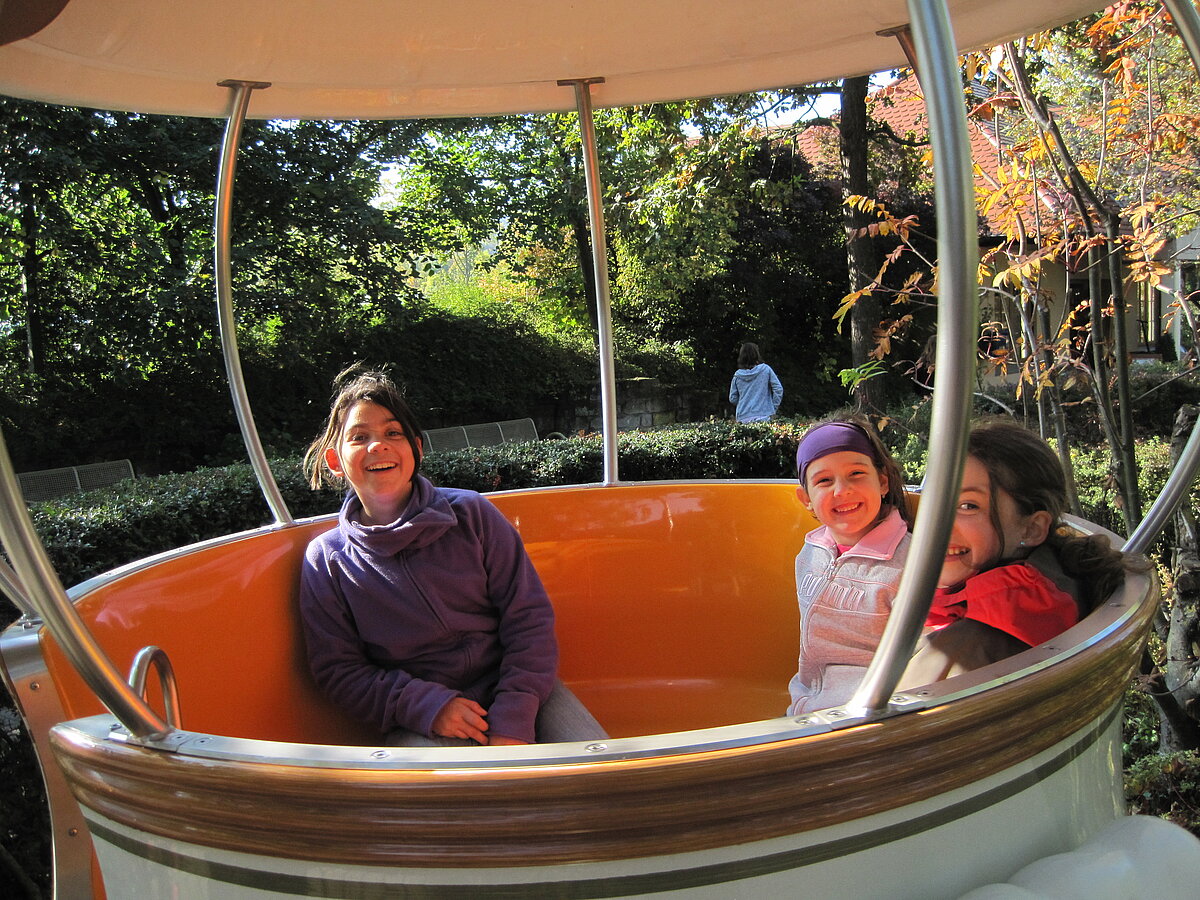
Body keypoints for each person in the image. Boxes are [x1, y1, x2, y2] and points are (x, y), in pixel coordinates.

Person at [298, 366, 606, 747]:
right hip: (421, 719)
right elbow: (339, 670)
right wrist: (426, 706)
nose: (378, 446)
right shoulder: (326, 560)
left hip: (521, 690)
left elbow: (528, 618)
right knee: (449, 787)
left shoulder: (472, 515)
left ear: (416, 449)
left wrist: (514, 715)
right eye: (359, 437)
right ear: (335, 461)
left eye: (393, 433)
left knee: (601, 771)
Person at [899, 421, 1144, 686]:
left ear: (1032, 528)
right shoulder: (1052, 588)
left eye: (968, 506)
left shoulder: (969, 651)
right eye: (933, 501)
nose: (935, 523)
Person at [787, 415, 914, 714]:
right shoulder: (810, 552)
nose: (841, 490)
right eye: (824, 481)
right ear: (806, 498)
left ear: (882, 482)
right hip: (806, 705)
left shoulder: (910, 563)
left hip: (865, 716)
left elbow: (921, 656)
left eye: (856, 473)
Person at [729, 342, 783, 423]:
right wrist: (773, 407)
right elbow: (778, 389)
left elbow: (732, 398)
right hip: (764, 416)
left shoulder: (737, 376)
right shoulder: (766, 369)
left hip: (743, 417)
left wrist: (744, 403)